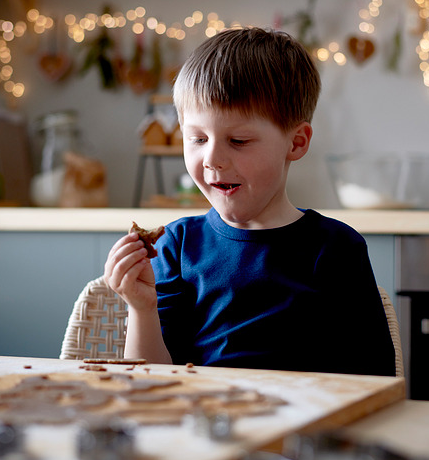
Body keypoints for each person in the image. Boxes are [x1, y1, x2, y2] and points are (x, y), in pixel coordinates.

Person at [104, 27, 396, 377]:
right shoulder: (178, 246)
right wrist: (141, 308)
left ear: (296, 143)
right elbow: (150, 383)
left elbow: (372, 380)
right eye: (196, 138)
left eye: (238, 140)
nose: (212, 158)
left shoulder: (336, 249)